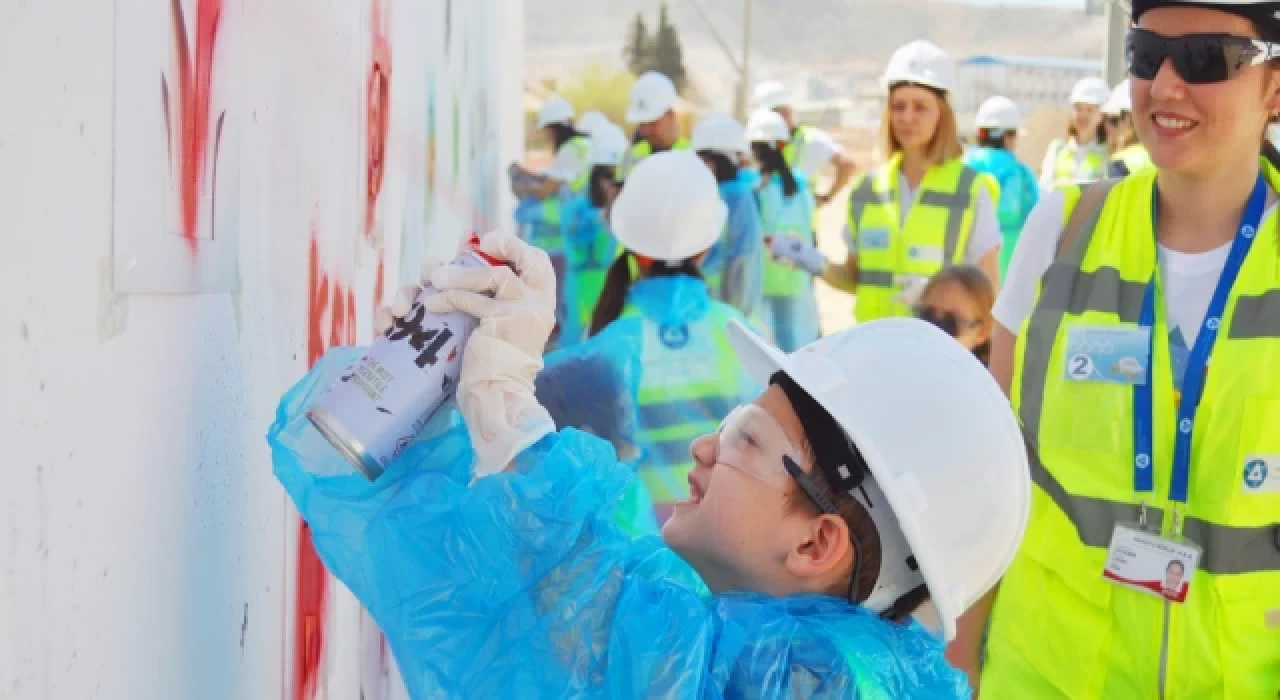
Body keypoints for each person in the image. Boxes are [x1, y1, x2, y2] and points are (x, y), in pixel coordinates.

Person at [271, 235, 1032, 697]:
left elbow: (614, 624)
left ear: (816, 544)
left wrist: (506, 410)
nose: (704, 448)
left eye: (744, 441)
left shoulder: (796, 683)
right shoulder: (793, 653)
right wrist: (434, 408)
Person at [947, 1, 1280, 696]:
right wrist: (959, 674)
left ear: (1273, 88)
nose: (1163, 85)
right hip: (1043, 677)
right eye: (1144, 53)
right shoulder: (1063, 233)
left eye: (1204, 59)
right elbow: (986, 485)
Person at [586, 151, 761, 523]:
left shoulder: (606, 338)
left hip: (634, 559)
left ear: (632, 244)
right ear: (706, 248)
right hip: (722, 553)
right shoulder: (739, 334)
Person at [782, 40, 1001, 324]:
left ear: (942, 114)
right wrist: (812, 261)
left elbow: (990, 291)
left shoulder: (970, 191)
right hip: (870, 349)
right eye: (899, 106)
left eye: (920, 107)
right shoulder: (867, 190)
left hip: (934, 351)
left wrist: (938, 297)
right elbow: (856, 279)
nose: (907, 117)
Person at [511, 94, 592, 342]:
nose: (547, 137)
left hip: (568, 231)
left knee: (561, 298)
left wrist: (522, 186)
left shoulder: (570, 150)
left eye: (548, 131)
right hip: (582, 231)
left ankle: (559, 340)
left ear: (556, 129)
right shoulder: (584, 146)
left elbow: (548, 189)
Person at [750, 109, 823, 351]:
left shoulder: (753, 186)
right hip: (794, 279)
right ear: (783, 145)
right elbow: (810, 229)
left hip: (760, 281)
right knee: (793, 348)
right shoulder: (800, 185)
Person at [555, 122, 628, 348]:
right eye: (608, 176)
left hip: (613, 284)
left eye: (618, 178)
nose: (613, 186)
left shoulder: (625, 208)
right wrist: (601, 218)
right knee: (577, 347)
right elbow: (573, 231)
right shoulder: (577, 206)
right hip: (581, 286)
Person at [691, 114, 765, 318]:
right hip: (724, 317)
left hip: (708, 314)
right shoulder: (739, 198)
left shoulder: (731, 198)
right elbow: (743, 261)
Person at [965, 96, 1039, 277]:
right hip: (1008, 270)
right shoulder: (1022, 175)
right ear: (1007, 137)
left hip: (965, 271)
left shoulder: (960, 170)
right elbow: (1038, 221)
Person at [753, 80, 858, 207]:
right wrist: (826, 198)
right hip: (799, 223)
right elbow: (847, 165)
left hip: (776, 221)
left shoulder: (811, 139)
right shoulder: (812, 137)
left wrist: (826, 198)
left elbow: (847, 165)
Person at [1038, 77, 1111, 190]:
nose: (1082, 115)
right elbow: (1044, 187)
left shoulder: (1109, 152)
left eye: (1090, 109)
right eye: (1078, 108)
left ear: (1102, 114)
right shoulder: (1058, 149)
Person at [913, 265, 995, 365]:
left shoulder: (987, 379)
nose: (936, 330)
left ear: (982, 332)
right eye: (927, 316)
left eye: (951, 322)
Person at [618, 72, 690, 181]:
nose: (646, 131)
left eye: (653, 123)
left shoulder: (692, 156)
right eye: (641, 124)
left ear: (671, 115)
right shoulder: (631, 157)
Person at [1101, 78, 1155, 178]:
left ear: (1129, 119)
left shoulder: (1121, 162)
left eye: (1113, 120)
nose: (1108, 127)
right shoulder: (1164, 160)